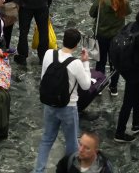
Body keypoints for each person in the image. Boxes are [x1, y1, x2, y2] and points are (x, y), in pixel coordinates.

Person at [33, 29, 94, 173]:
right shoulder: (76, 63)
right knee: (72, 144)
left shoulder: (49, 53)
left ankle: (38, 170)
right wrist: (85, 63)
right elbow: (86, 85)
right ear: (76, 45)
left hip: (49, 104)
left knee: (47, 139)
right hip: (68, 107)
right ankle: (69, 170)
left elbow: (43, 78)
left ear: (63, 40)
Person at [113, 5, 139, 143]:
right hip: (134, 72)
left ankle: (136, 124)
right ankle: (119, 132)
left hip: (124, 67)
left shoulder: (130, 25)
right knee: (128, 102)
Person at [89, 0, 130, 94]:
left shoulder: (101, 0)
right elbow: (128, 12)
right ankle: (113, 88)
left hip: (101, 36)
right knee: (115, 63)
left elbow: (91, 13)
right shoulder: (124, 2)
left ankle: (99, 85)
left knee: (100, 62)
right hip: (117, 38)